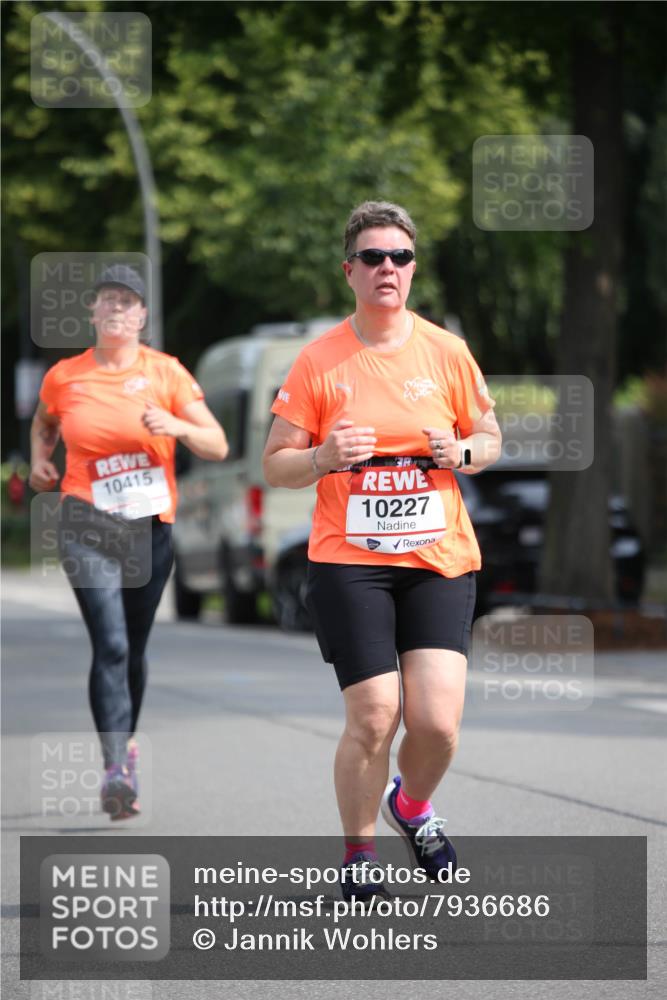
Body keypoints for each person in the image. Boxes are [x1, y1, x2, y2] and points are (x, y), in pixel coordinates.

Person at [263, 201, 501, 899]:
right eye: (372, 258)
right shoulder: (318, 360)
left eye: (398, 257)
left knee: (435, 723)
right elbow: (274, 461)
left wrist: (461, 450)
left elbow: (487, 438)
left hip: (436, 558)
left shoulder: (446, 351)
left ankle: (412, 806)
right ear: (350, 272)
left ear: (412, 269)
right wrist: (323, 456)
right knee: (373, 715)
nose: (386, 269)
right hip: (350, 561)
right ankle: (360, 854)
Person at [29, 264, 228, 820]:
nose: (116, 307)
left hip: (148, 528)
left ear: (142, 315)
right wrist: (44, 460)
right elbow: (45, 424)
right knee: (111, 644)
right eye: (107, 299)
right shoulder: (65, 377)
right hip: (87, 522)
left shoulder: (167, 374)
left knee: (134, 649)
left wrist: (178, 426)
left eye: (127, 300)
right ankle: (115, 766)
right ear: (92, 312)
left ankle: (126, 749)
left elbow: (216, 443)